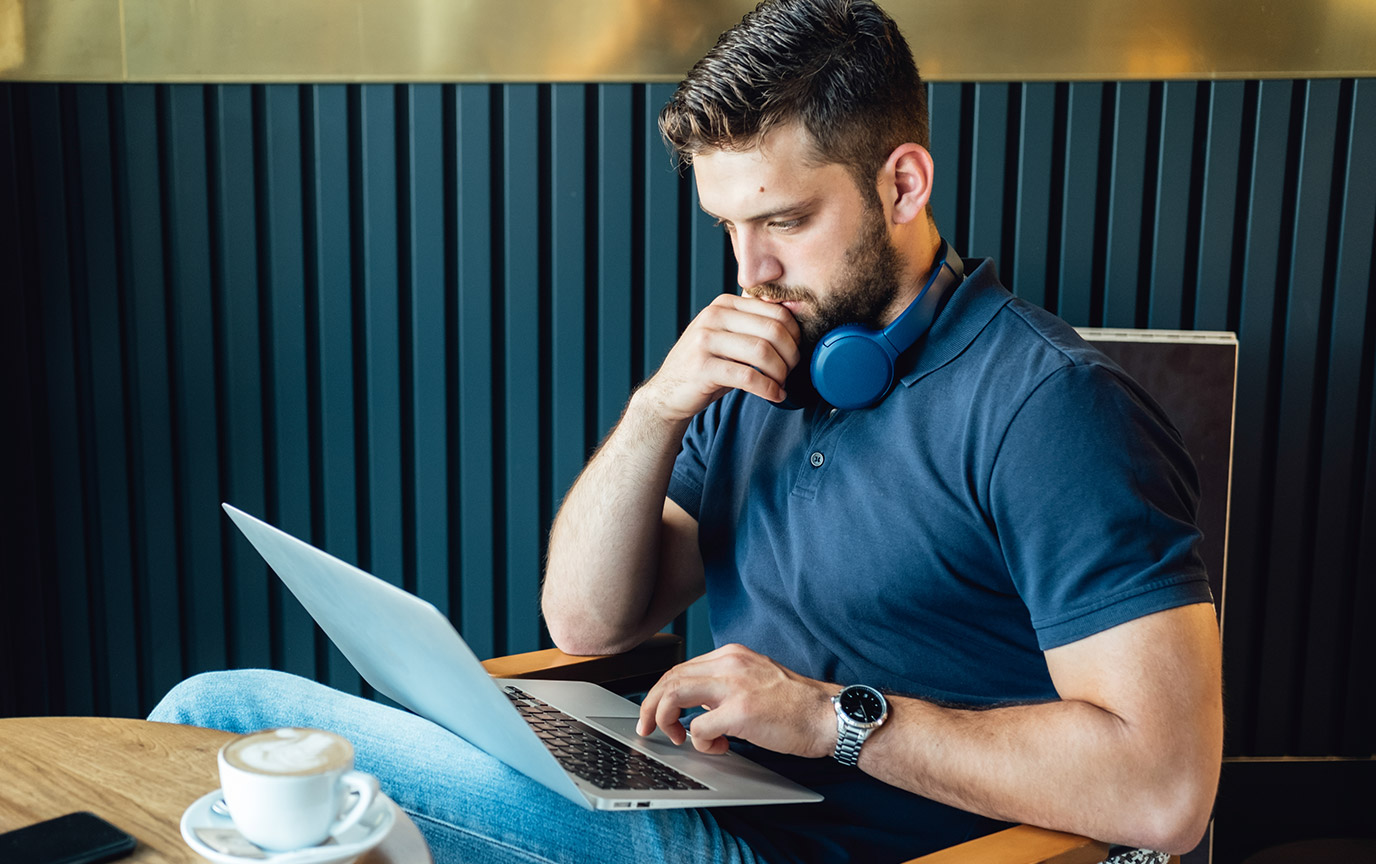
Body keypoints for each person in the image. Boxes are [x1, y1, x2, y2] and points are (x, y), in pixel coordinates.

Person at [151, 1, 1223, 862]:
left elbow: (1167, 791)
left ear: (903, 183)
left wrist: (828, 719)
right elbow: (586, 619)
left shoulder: (1050, 410)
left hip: (826, 849)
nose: (749, 271)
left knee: (218, 712)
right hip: (691, 794)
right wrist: (661, 407)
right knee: (237, 738)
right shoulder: (765, 363)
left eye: (783, 221)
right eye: (728, 228)